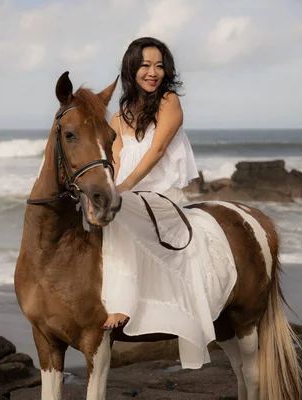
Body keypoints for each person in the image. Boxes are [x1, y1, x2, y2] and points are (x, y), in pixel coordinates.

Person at [102, 37, 199, 330]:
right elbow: (116, 160)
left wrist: (126, 187)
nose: (152, 73)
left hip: (163, 196)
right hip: (130, 193)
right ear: (132, 69)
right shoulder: (119, 116)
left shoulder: (169, 101)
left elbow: (157, 151)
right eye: (145, 65)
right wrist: (111, 190)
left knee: (123, 212)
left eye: (159, 66)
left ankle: (122, 304)